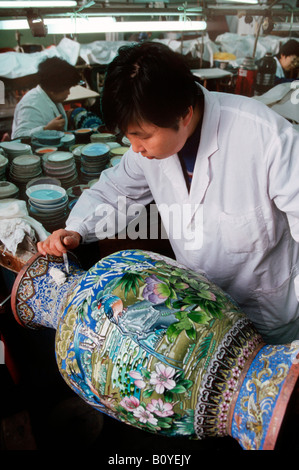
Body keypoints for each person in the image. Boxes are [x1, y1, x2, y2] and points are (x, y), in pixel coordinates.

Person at [37, 41, 299, 345]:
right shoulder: (148, 145)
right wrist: (76, 229)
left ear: (184, 114)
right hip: (201, 317)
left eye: (142, 136)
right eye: (128, 136)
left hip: (267, 321)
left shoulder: (266, 139)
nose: (135, 147)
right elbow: (116, 191)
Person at [11, 57, 81, 139]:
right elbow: (18, 137)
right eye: (67, 89)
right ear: (53, 88)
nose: (69, 93)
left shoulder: (50, 96)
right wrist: (46, 129)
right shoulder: (31, 105)